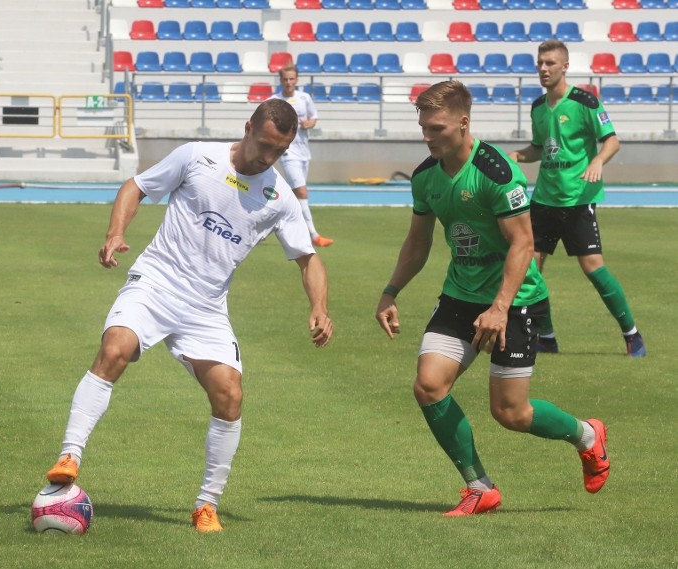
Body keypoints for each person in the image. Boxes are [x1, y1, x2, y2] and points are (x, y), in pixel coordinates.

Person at [45, 99, 334, 532]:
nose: (268, 158)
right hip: (157, 283)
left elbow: (308, 258)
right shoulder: (198, 156)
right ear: (248, 126)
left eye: (279, 152)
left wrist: (319, 307)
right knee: (114, 348)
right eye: (264, 145)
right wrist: (115, 234)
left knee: (230, 395)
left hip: (206, 306)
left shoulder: (279, 197)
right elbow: (135, 186)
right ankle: (70, 455)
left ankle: (206, 505)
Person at [375, 81, 609, 516]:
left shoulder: (497, 171)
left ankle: (587, 435)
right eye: (423, 127)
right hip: (460, 296)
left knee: (511, 412)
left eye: (437, 128)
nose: (428, 136)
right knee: (428, 385)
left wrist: (500, 307)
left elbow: (523, 243)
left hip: (516, 298)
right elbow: (417, 242)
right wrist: (390, 292)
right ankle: (480, 487)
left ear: (463, 123)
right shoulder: (426, 176)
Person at [508, 40, 645, 357]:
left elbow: (611, 141)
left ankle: (632, 334)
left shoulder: (585, 101)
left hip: (578, 198)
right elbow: (540, 148)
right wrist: (516, 155)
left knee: (594, 268)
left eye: (550, 63)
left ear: (565, 66)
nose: (543, 68)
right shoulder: (537, 107)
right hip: (544, 199)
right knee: (529, 269)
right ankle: (547, 337)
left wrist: (598, 160)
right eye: (540, 63)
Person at [268, 64, 334, 247]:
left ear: (296, 80)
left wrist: (308, 124)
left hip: (304, 151)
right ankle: (313, 235)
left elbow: (313, 118)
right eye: (285, 79)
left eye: (291, 79)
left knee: (294, 193)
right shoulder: (274, 101)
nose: (288, 83)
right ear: (280, 81)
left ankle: (267, 224)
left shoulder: (304, 98)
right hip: (287, 152)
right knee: (302, 192)